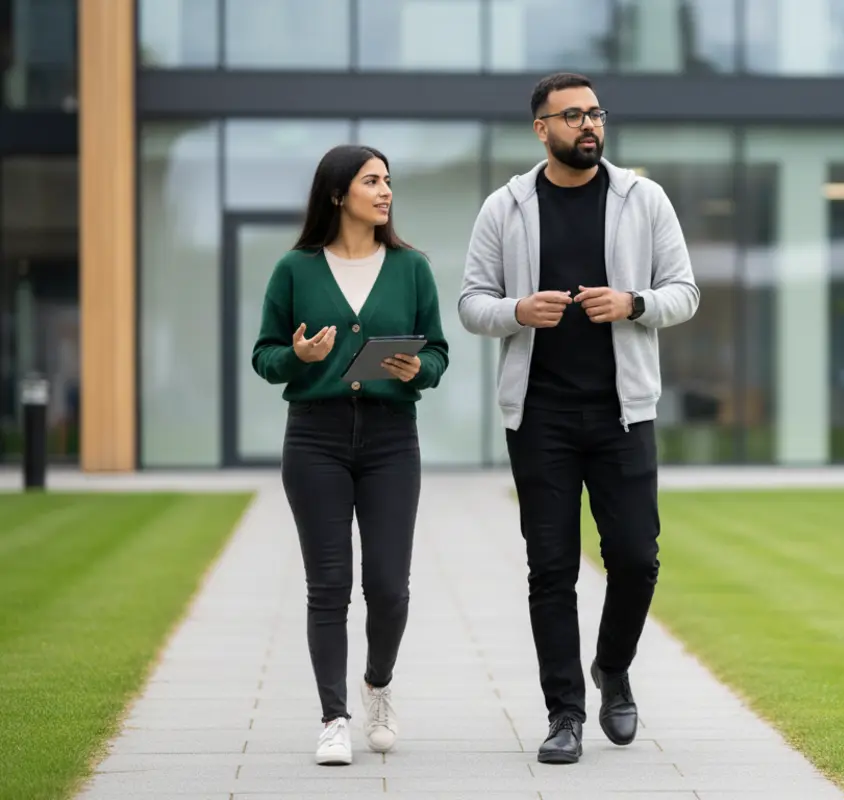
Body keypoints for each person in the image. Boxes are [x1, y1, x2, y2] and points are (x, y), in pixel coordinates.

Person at [458, 72, 700, 765]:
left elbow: (685, 291)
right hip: (540, 417)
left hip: (625, 413)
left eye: (595, 113)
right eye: (573, 116)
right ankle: (564, 714)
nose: (589, 126)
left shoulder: (643, 199)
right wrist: (516, 312)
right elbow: (472, 302)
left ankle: (613, 669)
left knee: (636, 560)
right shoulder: (505, 207)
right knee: (551, 569)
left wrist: (633, 303)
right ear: (542, 128)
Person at [251, 144, 450, 766]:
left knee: (389, 587)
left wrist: (418, 368)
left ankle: (379, 684)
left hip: (392, 438)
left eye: (388, 180)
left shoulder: (412, 267)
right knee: (328, 586)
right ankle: (333, 717)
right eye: (372, 181)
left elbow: (439, 354)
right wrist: (299, 358)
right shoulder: (295, 269)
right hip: (316, 437)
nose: (386, 190)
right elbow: (264, 355)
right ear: (339, 194)